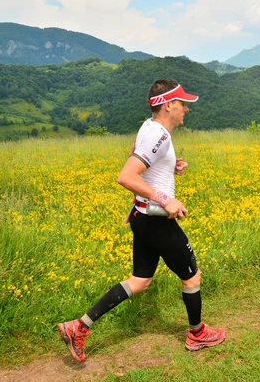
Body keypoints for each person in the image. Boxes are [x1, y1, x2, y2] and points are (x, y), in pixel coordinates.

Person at [57, 80, 226, 362]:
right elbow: (126, 176)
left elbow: (141, 164)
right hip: (156, 221)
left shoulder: (149, 128)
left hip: (142, 216)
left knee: (140, 280)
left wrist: (171, 166)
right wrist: (165, 199)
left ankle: (79, 326)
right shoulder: (158, 135)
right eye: (182, 103)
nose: (186, 109)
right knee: (192, 276)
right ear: (168, 105)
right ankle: (197, 334)